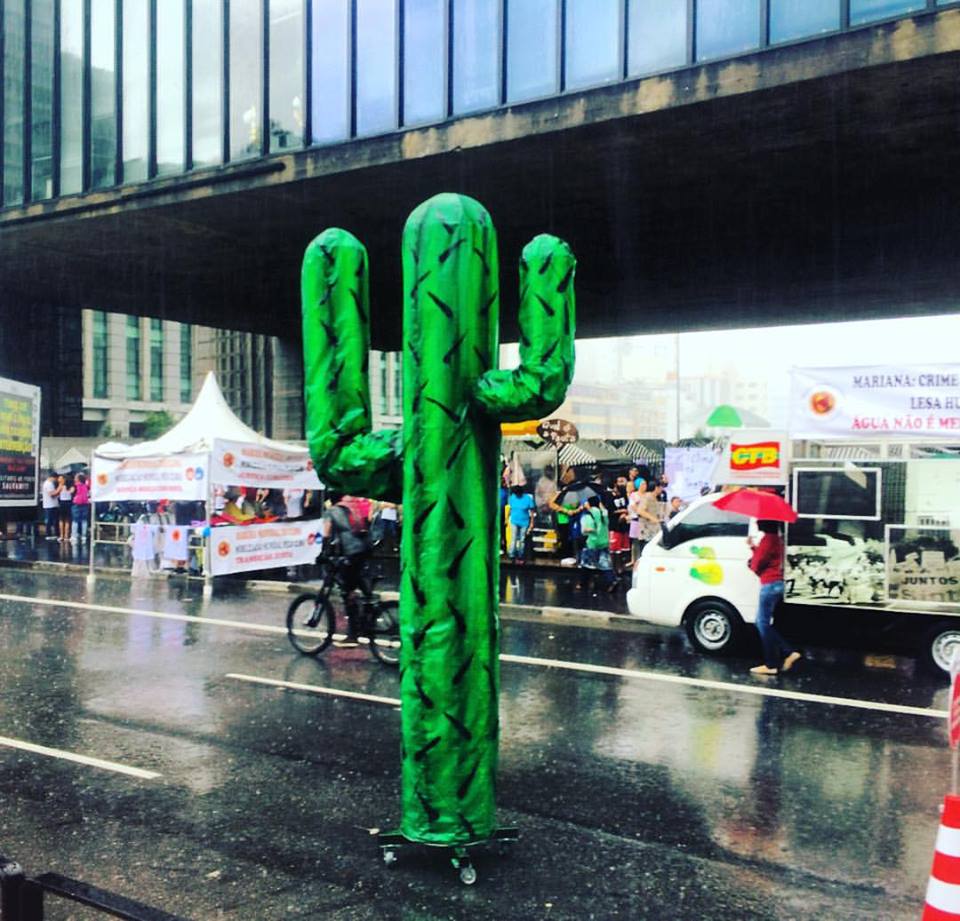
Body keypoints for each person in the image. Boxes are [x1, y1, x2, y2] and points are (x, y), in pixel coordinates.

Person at [748, 520, 802, 676]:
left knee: (762, 623)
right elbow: (769, 557)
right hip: (777, 584)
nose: (758, 522)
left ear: (765, 524)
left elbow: (756, 564)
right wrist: (753, 547)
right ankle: (781, 656)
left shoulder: (768, 539)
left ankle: (777, 660)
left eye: (760, 521)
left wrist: (752, 561)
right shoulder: (777, 540)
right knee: (762, 622)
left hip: (769, 584)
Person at [321, 491, 373, 645]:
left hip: (351, 551)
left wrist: (323, 553)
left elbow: (326, 534)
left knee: (347, 591)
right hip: (366, 548)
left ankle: (353, 635)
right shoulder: (352, 506)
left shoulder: (332, 511)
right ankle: (370, 612)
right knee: (358, 581)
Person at [580, 495, 614, 594]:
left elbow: (585, 530)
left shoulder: (588, 515)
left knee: (586, 564)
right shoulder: (603, 512)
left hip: (592, 543)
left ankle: (584, 583)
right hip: (604, 541)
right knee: (605, 563)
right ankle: (611, 580)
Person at [507, 484, 536, 563]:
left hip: (524, 521)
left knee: (522, 539)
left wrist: (532, 523)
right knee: (513, 538)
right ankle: (512, 554)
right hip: (514, 520)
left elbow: (532, 511)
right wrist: (507, 519)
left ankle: (521, 555)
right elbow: (510, 508)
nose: (516, 495)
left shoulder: (528, 498)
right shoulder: (512, 497)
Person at [72, 472, 90, 542]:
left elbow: (71, 492)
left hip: (76, 504)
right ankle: (83, 536)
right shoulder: (86, 486)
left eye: (75, 478)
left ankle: (74, 535)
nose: (74, 479)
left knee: (75, 520)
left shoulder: (75, 486)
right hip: (85, 503)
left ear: (78, 479)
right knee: (84, 520)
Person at [41, 472, 59, 540]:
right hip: (50, 505)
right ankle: (49, 534)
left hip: (51, 504)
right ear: (53, 477)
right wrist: (59, 489)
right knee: (50, 520)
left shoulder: (48, 483)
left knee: (51, 520)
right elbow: (52, 494)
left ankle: (51, 534)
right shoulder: (49, 484)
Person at [57, 474, 74, 542]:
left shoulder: (61, 486)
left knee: (61, 519)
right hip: (68, 503)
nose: (59, 480)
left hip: (62, 503)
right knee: (67, 520)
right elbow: (72, 492)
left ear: (64, 480)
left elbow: (57, 492)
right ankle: (66, 536)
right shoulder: (71, 487)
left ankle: (61, 535)